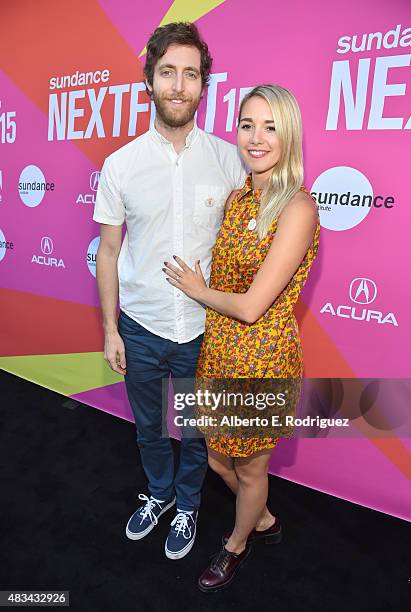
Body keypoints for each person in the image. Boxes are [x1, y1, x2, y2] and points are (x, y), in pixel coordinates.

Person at [93, 22, 246, 560]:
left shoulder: (231, 161)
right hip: (141, 326)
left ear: (205, 84)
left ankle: (187, 504)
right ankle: (158, 494)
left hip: (206, 330)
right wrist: (110, 329)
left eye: (190, 73)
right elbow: (108, 252)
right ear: (149, 82)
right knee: (150, 427)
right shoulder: (121, 165)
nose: (179, 85)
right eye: (167, 73)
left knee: (199, 433)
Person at [163, 84, 320, 590]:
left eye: (271, 127)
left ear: (289, 134)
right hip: (220, 351)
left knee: (251, 470)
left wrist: (196, 289)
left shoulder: (297, 208)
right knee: (215, 456)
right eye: (248, 125)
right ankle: (266, 520)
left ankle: (236, 545)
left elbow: (252, 306)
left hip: (261, 359)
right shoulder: (237, 198)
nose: (256, 137)